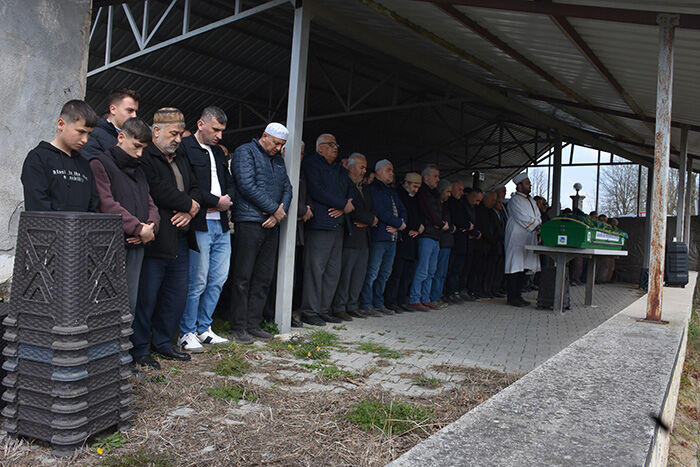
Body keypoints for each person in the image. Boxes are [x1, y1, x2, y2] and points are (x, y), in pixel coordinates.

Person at [133, 108, 202, 369]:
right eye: (173, 134)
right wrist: (188, 204)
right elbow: (156, 189)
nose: (177, 139)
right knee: (147, 297)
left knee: (175, 296)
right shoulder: (146, 156)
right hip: (158, 239)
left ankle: (163, 343)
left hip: (181, 239)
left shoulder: (181, 155)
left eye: (180, 134)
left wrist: (191, 208)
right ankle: (140, 348)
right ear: (156, 131)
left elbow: (196, 187)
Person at [176, 107, 235, 352]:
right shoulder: (184, 147)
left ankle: (204, 328)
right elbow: (188, 184)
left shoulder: (219, 152)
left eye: (222, 131)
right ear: (201, 124)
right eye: (215, 129)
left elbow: (230, 181)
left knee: (218, 279)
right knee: (197, 280)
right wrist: (215, 201)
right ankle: (186, 332)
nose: (219, 135)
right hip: (199, 223)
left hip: (221, 223)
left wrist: (227, 199)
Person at [89, 117, 159, 318]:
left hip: (137, 246)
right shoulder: (99, 163)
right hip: (109, 247)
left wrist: (150, 227)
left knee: (130, 305)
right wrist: (138, 228)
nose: (139, 153)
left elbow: (150, 203)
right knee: (107, 303)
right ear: (121, 137)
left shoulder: (139, 169)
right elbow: (106, 204)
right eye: (136, 146)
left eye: (143, 148)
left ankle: (125, 340)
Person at [228, 123, 292, 342]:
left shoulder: (278, 160)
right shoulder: (245, 152)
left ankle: (253, 324)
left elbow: (288, 188)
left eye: (282, 145)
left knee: (263, 277)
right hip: (249, 221)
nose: (278, 148)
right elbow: (246, 185)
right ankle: (238, 327)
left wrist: (278, 214)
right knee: (243, 276)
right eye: (276, 143)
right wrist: (275, 209)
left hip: (271, 223)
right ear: (264, 135)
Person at [299, 134, 354, 326]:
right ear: (320, 148)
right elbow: (316, 190)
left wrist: (344, 206)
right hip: (320, 225)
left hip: (338, 226)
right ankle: (309, 311)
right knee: (315, 270)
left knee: (332, 271)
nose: (335, 147)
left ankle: (323, 310)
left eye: (336, 144)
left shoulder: (340, 169)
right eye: (331, 144)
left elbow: (351, 191)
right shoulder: (311, 163)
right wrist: (341, 204)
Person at [22, 100, 100, 213]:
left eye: (89, 134)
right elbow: (37, 207)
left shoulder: (84, 164)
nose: (85, 140)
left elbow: (94, 207)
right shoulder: (38, 158)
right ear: (61, 124)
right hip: (46, 224)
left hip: (83, 225)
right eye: (81, 132)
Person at [332, 153, 378, 320]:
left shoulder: (365, 188)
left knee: (358, 275)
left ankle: (352, 305)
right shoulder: (344, 183)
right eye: (361, 167)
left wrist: (370, 220)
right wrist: (370, 220)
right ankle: (339, 307)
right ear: (351, 167)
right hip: (350, 237)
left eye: (365, 168)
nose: (364, 171)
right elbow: (353, 211)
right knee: (345, 275)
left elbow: (372, 210)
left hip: (364, 238)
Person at [359, 159, 406, 315]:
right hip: (379, 236)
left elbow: (403, 209)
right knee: (372, 272)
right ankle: (366, 304)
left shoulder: (391, 191)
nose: (392, 173)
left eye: (392, 170)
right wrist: (399, 224)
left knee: (385, 273)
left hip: (392, 237)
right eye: (388, 170)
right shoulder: (374, 189)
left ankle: (378, 303)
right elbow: (381, 211)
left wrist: (401, 224)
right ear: (378, 171)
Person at [384, 173, 423, 312]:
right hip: (402, 240)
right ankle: (391, 301)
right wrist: (416, 226)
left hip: (411, 241)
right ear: (406, 183)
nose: (416, 190)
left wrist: (419, 229)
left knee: (407, 274)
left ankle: (401, 301)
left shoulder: (415, 198)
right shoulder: (399, 195)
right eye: (414, 186)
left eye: (418, 187)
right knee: (396, 274)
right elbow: (405, 216)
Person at [408, 165, 445, 311]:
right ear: (426, 177)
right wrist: (440, 224)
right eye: (435, 176)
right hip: (426, 235)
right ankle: (414, 298)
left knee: (431, 270)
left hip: (435, 235)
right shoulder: (423, 193)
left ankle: (426, 298)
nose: (438, 179)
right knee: (423, 269)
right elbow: (428, 212)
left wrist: (439, 224)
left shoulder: (435, 194)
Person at [504, 173, 542, 307]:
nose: (530, 185)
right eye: (527, 183)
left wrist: (539, 224)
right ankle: (512, 297)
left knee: (523, 267)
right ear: (519, 186)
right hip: (516, 237)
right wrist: (536, 225)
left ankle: (518, 295)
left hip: (528, 237)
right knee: (515, 266)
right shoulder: (515, 200)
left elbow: (538, 215)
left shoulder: (531, 200)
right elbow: (522, 217)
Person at [80, 88, 139, 160]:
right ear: (113, 109)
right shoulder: (92, 134)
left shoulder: (133, 139)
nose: (134, 116)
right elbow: (95, 164)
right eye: (130, 110)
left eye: (135, 111)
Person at [444, 180, 472, 302]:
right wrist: (466, 225)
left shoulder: (461, 203)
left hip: (462, 243)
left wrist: (466, 225)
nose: (462, 192)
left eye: (462, 190)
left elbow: (467, 219)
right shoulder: (450, 203)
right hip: (453, 242)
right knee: (451, 269)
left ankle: (454, 291)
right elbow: (459, 220)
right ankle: (448, 292)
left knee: (458, 269)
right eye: (459, 190)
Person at [429, 180, 454, 306]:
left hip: (446, 242)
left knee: (441, 273)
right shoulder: (437, 205)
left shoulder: (445, 205)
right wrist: (449, 228)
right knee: (436, 272)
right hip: (441, 241)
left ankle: (437, 295)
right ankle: (433, 297)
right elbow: (442, 224)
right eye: (447, 191)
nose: (449, 194)